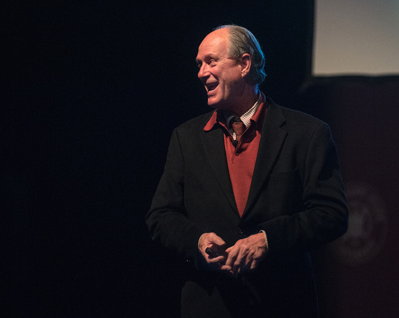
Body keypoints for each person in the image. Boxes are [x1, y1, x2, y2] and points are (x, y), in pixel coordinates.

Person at [146, 25, 348, 318]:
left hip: (282, 302)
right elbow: (160, 216)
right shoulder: (186, 137)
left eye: (211, 61)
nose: (201, 73)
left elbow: (332, 214)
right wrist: (197, 240)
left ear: (244, 64)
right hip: (210, 304)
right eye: (199, 64)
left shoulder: (307, 133)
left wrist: (268, 240)